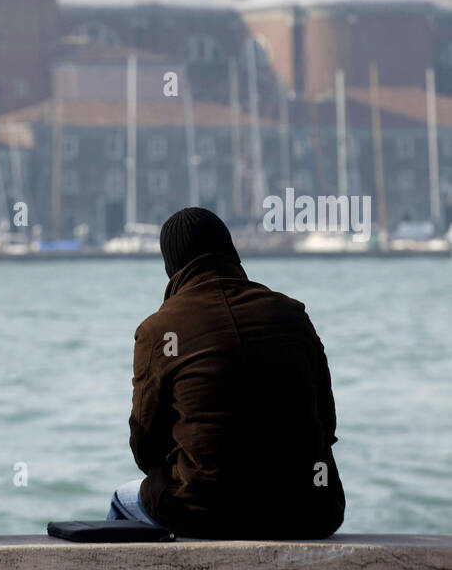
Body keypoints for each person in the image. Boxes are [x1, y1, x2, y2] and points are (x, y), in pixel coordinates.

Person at [109, 206, 345, 539]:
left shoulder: (160, 330)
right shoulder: (292, 315)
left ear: (171, 266)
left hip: (205, 511)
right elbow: (327, 423)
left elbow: (145, 449)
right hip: (312, 509)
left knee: (122, 500)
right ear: (230, 250)